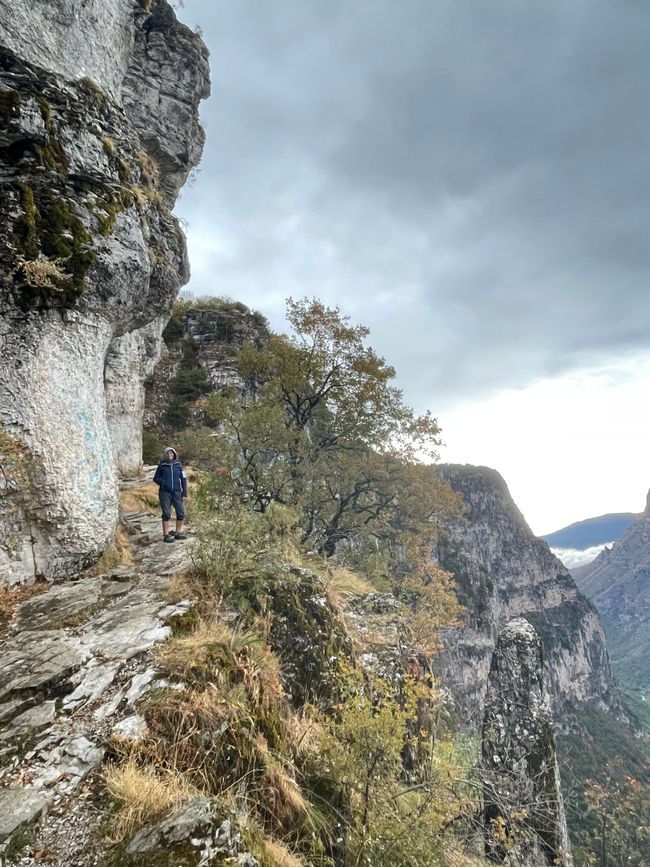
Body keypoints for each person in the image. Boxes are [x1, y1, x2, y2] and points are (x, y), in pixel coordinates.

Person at [153, 446, 188, 543]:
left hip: (177, 492)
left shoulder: (178, 465)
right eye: (168, 453)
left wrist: (184, 492)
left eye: (171, 453)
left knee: (181, 512)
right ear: (165, 455)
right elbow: (156, 478)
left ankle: (178, 533)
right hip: (165, 492)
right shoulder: (162, 465)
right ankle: (166, 535)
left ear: (174, 454)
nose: (170, 455)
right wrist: (163, 483)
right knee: (166, 513)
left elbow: (183, 479)